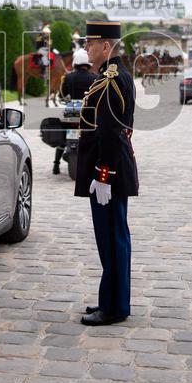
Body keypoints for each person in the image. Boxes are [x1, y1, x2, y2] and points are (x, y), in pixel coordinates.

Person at [75, 20, 138, 326]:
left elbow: (111, 132)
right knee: (111, 239)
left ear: (105, 46)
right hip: (109, 171)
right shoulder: (107, 76)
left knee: (113, 240)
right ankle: (111, 299)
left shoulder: (113, 79)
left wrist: (104, 176)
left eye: (90, 43)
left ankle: (113, 307)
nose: (86, 48)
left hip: (108, 174)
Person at [53, 48, 97, 175]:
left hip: (72, 110)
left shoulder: (68, 77)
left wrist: (66, 99)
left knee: (62, 135)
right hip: (89, 112)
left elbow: (61, 95)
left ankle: (56, 164)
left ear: (75, 62)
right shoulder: (94, 78)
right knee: (95, 134)